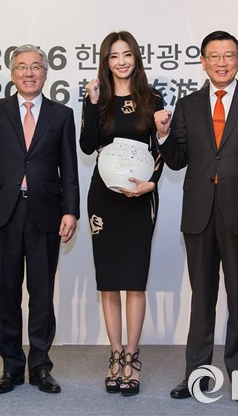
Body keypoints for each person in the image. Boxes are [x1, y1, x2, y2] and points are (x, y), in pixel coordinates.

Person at [155, 30, 238, 404]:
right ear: (203, 62)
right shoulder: (188, 104)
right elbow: (178, 160)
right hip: (199, 213)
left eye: (228, 55)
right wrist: (163, 136)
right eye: (214, 56)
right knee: (202, 298)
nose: (221, 62)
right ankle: (197, 376)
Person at [0, 45, 80, 395]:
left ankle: (39, 366)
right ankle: (10, 367)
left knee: (41, 293)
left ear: (46, 74)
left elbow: (69, 166)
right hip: (3, 211)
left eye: (36, 66)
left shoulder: (61, 114)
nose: (29, 72)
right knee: (7, 293)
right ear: (12, 74)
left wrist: (71, 210)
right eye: (22, 67)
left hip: (45, 212)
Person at [79, 31, 165, 397]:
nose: (121, 62)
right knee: (110, 278)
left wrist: (151, 183)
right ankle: (115, 354)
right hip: (104, 198)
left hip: (140, 197)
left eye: (127, 55)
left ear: (136, 58)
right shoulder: (97, 98)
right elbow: (87, 146)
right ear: (106, 61)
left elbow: (162, 148)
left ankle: (132, 356)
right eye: (114, 56)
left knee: (135, 279)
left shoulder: (152, 98)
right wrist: (90, 104)